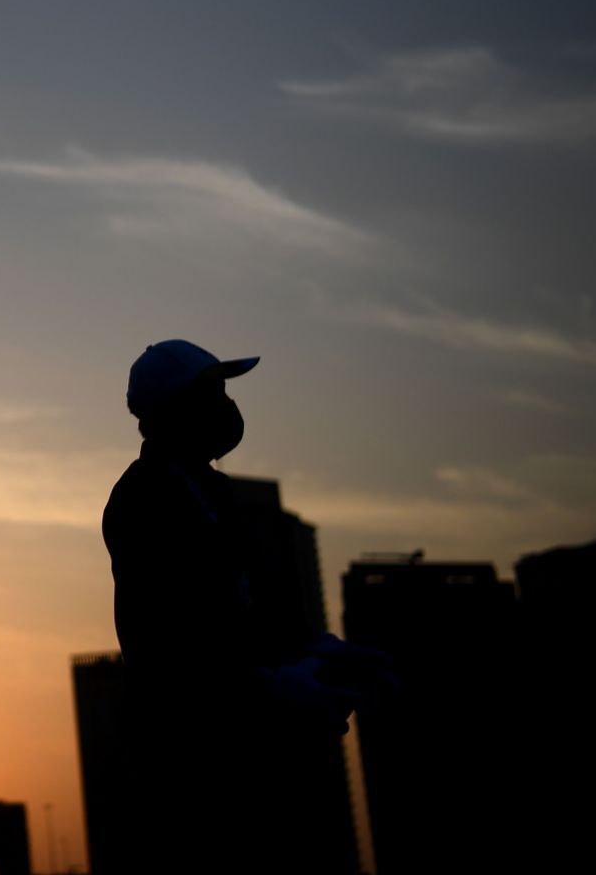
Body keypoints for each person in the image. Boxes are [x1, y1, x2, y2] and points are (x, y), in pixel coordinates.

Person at [103, 339, 385, 873]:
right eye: (213, 394)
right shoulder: (142, 501)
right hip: (192, 764)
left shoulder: (216, 493)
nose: (227, 408)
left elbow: (252, 611)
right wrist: (273, 686)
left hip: (255, 751)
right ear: (172, 410)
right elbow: (171, 648)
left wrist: (321, 651)